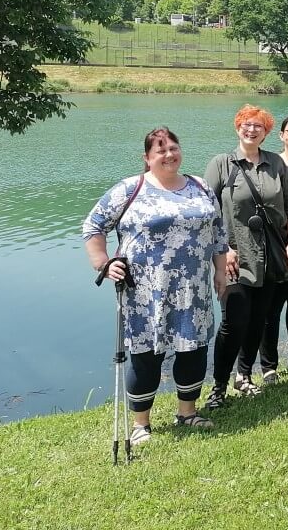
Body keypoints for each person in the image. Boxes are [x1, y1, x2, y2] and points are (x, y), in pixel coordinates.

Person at [82, 127, 227, 444]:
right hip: (146, 292)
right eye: (161, 151)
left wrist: (220, 270)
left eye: (174, 148)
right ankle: (141, 424)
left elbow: (218, 232)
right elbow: (93, 225)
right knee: (146, 354)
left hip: (193, 289)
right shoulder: (129, 189)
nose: (169, 155)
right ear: (147, 157)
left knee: (193, 349)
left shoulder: (200, 187)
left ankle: (187, 412)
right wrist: (103, 263)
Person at [203, 105, 288, 409]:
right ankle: (219, 387)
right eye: (247, 124)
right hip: (233, 257)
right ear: (238, 127)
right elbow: (207, 211)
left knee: (258, 319)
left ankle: (244, 376)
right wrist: (223, 249)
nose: (252, 130)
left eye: (259, 126)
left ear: (266, 132)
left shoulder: (275, 163)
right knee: (233, 322)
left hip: (269, 255)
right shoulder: (221, 164)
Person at [237, 115, 288, 384]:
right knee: (269, 308)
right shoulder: (271, 164)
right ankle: (268, 365)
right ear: (281, 135)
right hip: (274, 245)